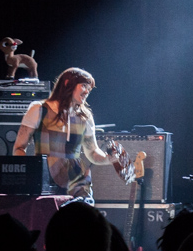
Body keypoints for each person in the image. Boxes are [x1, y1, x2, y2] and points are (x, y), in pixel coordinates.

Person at [12, 67, 117, 203]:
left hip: (77, 182)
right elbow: (19, 148)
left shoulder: (85, 117)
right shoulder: (39, 109)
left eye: (89, 89)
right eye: (83, 86)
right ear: (67, 83)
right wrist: (29, 174)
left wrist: (110, 159)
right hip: (44, 180)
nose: (87, 92)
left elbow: (92, 152)